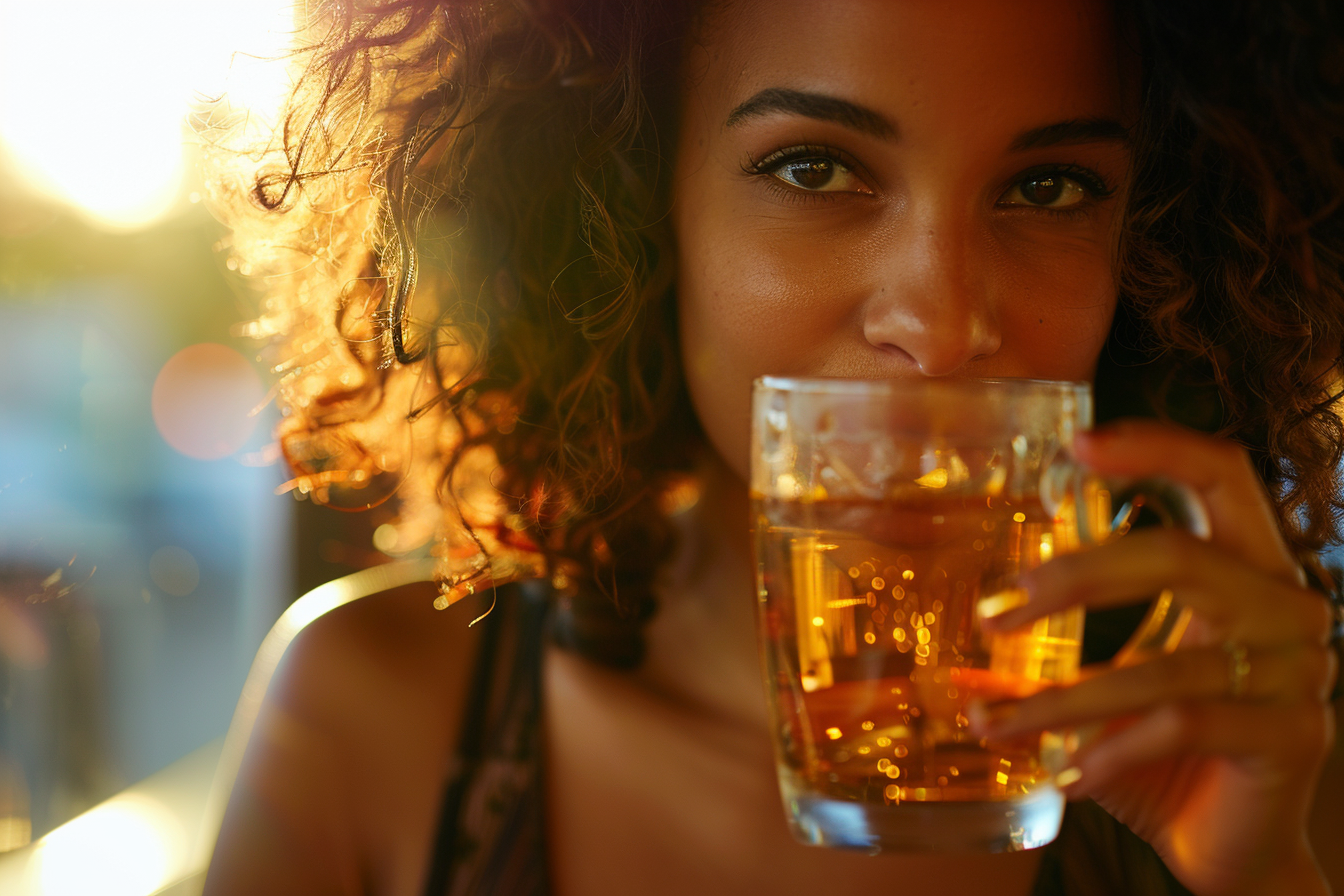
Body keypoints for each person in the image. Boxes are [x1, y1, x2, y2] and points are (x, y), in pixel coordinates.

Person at [201, 0, 1344, 893]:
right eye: (815, 168)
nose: (942, 323)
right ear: (631, 209)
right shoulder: (369, 717)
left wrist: (1261, 875)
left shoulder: (1264, 760)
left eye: (1048, 187)